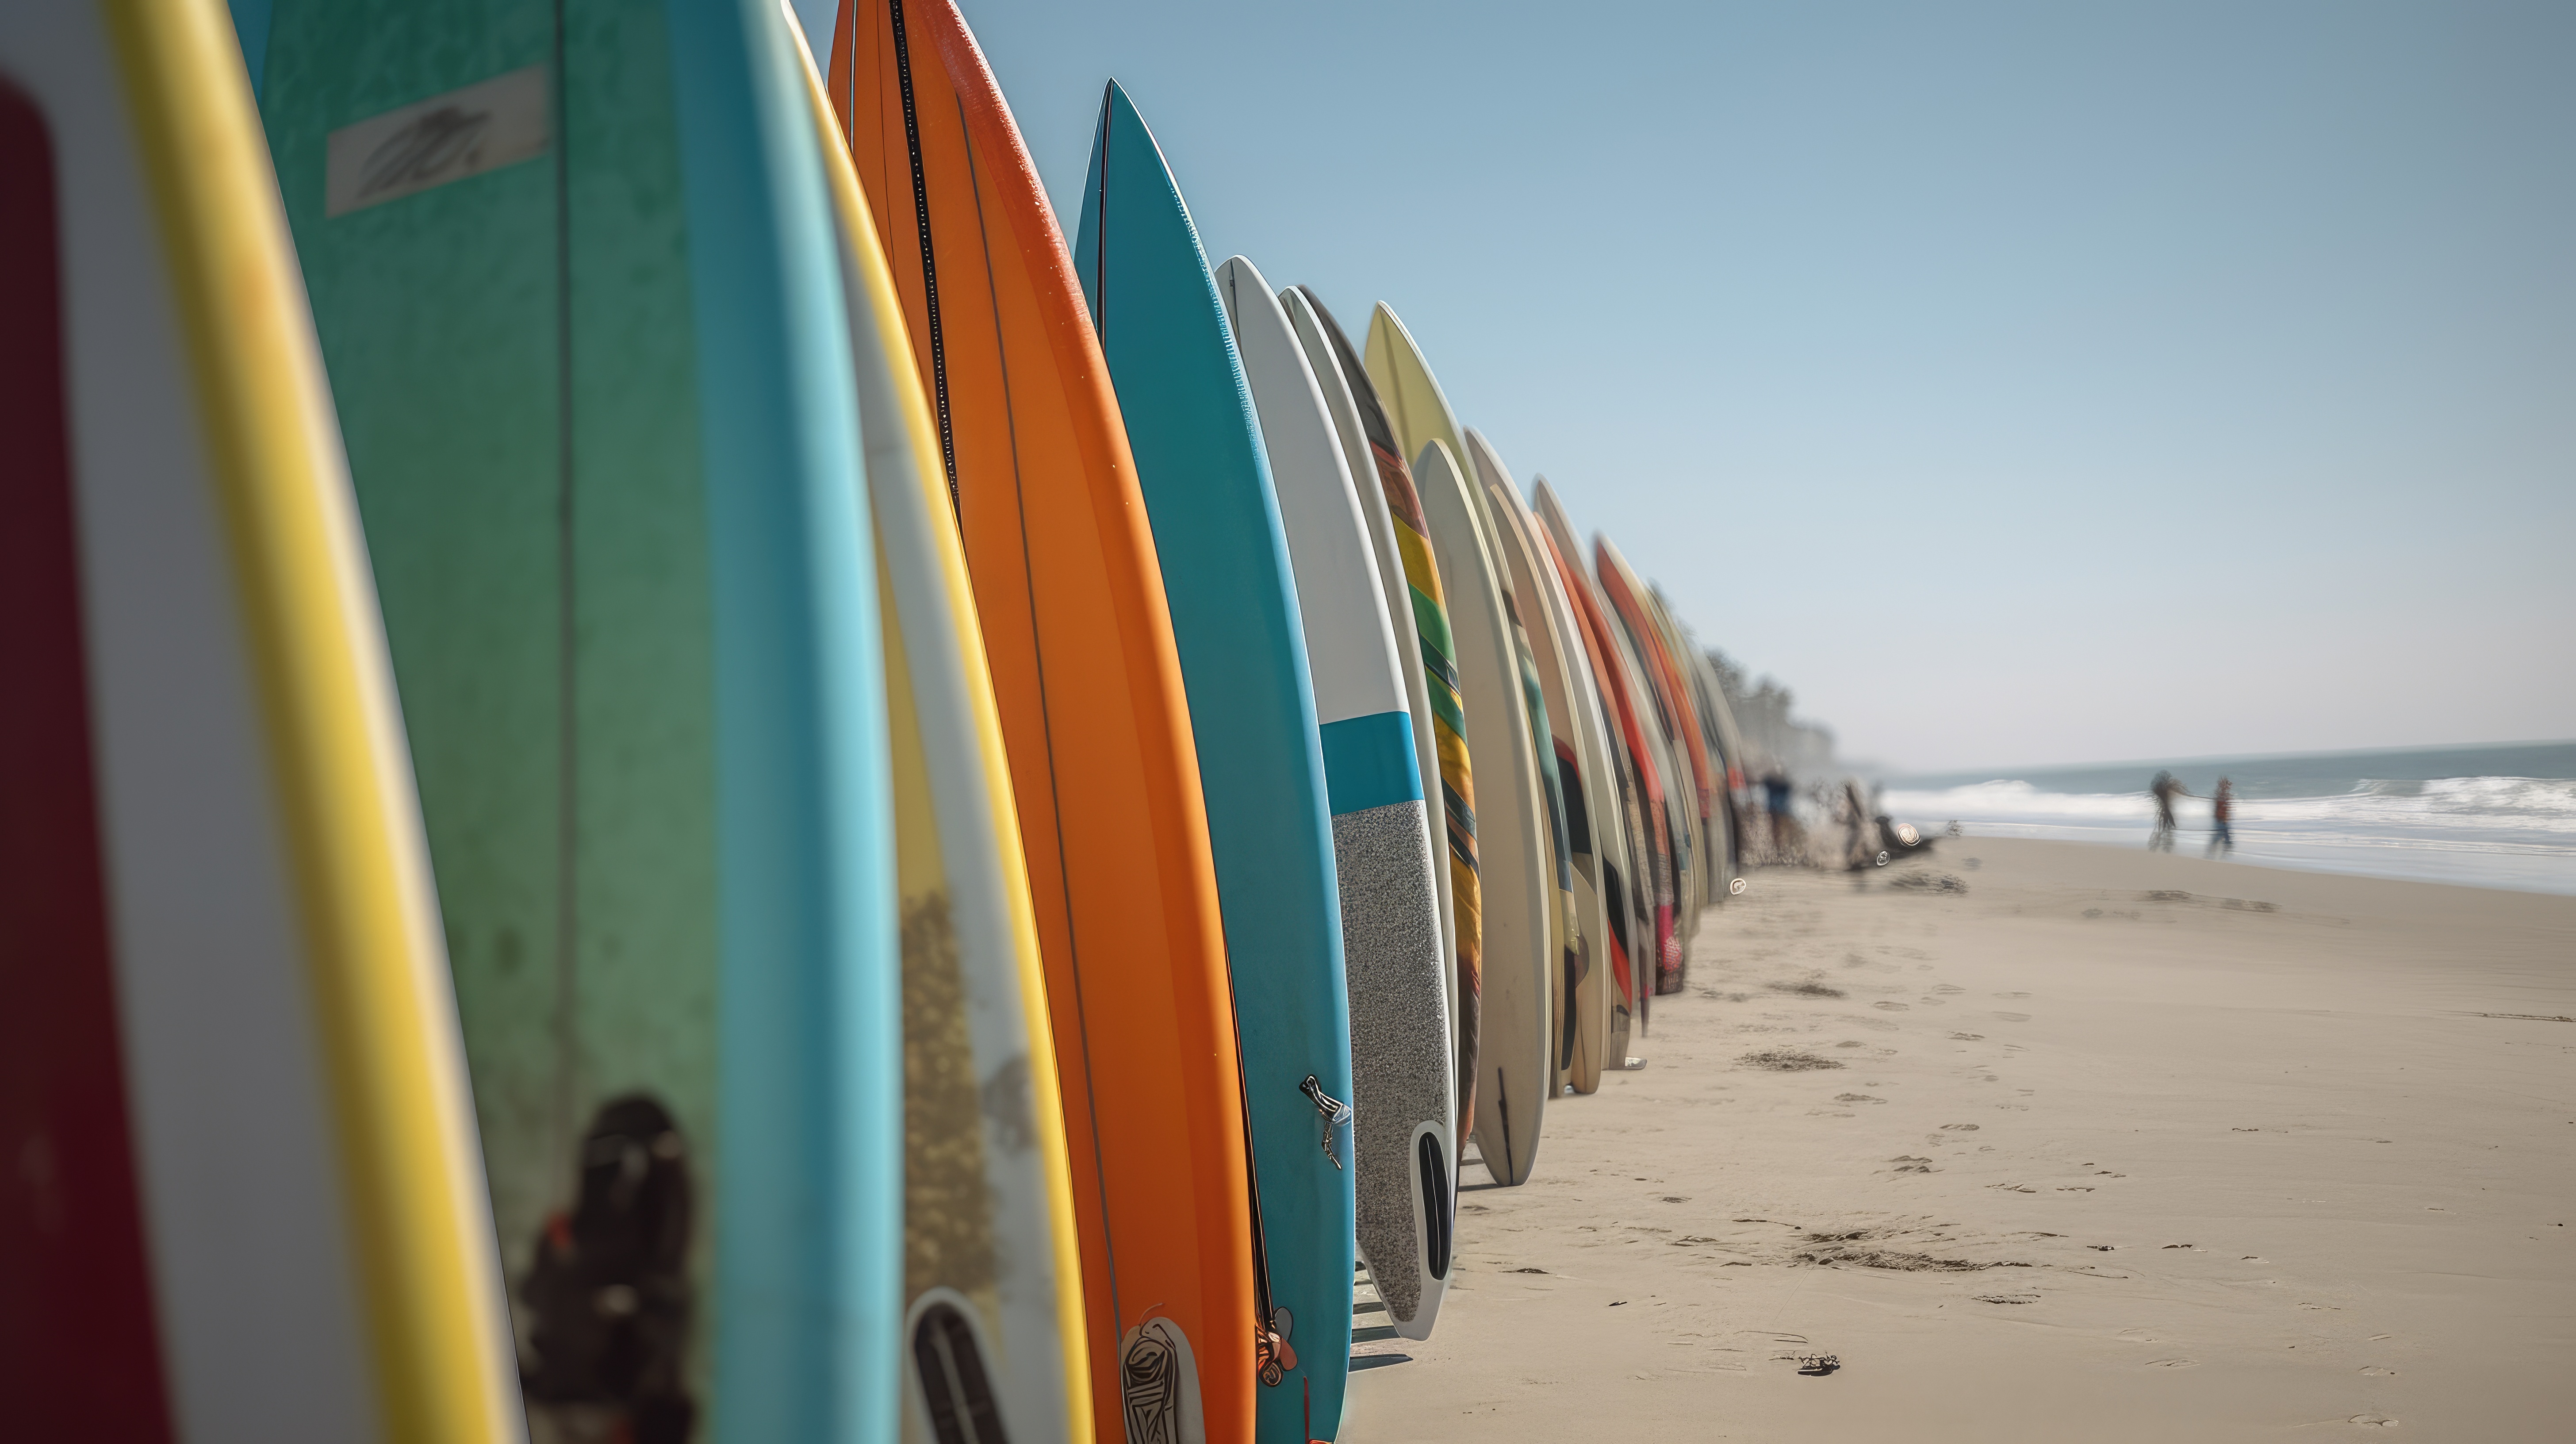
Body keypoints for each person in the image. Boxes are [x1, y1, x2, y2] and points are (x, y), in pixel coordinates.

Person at [2147, 770, 2187, 853]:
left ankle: (2160, 844)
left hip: (2164, 811)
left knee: (2165, 826)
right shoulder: (2163, 792)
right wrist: (2173, 822)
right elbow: (2167, 809)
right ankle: (2163, 845)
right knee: (2166, 825)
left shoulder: (2160, 791)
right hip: (2165, 812)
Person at [2206, 777, 2235, 857]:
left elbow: (2225, 809)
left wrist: (2227, 818)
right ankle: (2213, 855)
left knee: (2225, 838)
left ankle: (2222, 856)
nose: (2229, 787)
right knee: (2220, 838)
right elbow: (2219, 809)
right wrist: (2222, 818)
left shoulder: (2224, 795)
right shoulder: (2221, 795)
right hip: (2220, 820)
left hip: (2223, 820)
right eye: (2227, 785)